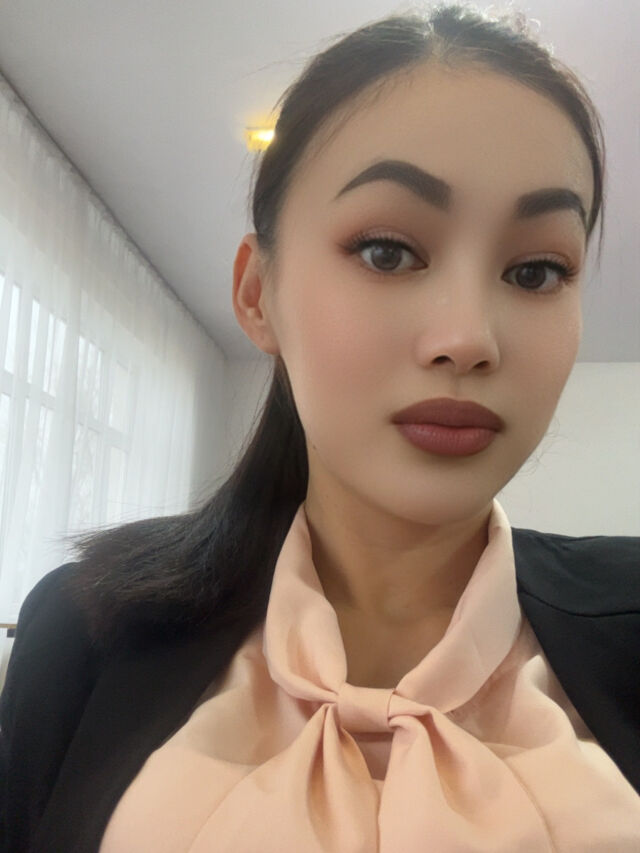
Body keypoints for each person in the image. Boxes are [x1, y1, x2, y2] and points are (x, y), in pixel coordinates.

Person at [1, 3, 639, 851]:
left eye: (536, 271)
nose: (467, 339)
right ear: (257, 294)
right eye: (387, 251)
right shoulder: (86, 629)